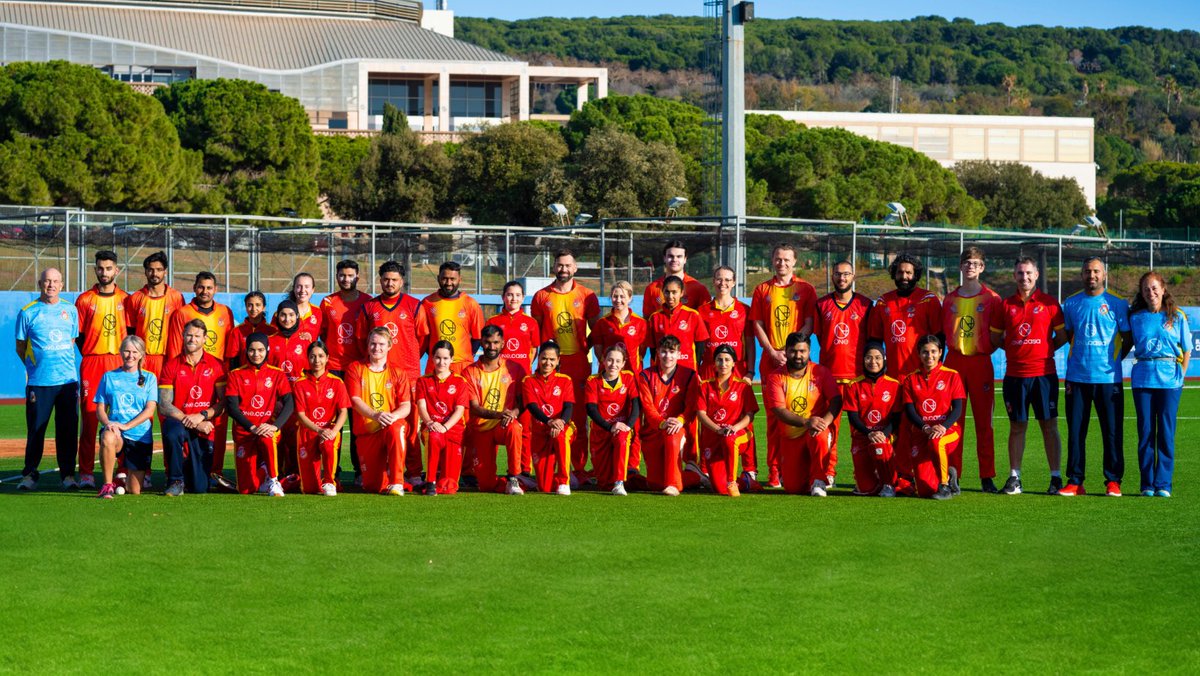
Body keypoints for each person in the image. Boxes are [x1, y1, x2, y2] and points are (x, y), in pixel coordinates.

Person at [990, 257, 1067, 495]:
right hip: (1015, 376)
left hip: (1044, 375)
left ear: (1036, 275)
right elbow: (995, 338)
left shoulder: (1050, 303)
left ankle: (1055, 478)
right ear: (1014, 276)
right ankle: (1015, 478)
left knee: (1049, 426)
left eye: (1028, 273)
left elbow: (1062, 337)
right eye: (1020, 273)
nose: (1024, 277)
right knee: (1017, 427)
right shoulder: (1005, 305)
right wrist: (1016, 350)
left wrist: (1043, 350)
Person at [1060, 257, 1133, 497]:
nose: (1091, 275)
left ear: (1104, 275)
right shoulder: (1071, 303)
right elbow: (1070, 334)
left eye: (1096, 271)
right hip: (1077, 378)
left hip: (1108, 380)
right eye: (1087, 271)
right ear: (1082, 274)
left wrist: (1112, 361)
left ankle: (1113, 481)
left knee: (1112, 432)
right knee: (1076, 432)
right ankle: (1075, 481)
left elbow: (1127, 338)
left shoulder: (1117, 303)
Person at [356, 260, 430, 485]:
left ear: (402, 281)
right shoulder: (370, 307)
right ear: (380, 280)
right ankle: (383, 468)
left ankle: (414, 472)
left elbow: (423, 339)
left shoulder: (414, 305)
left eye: (394, 280)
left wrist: (409, 361)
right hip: (378, 375)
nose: (390, 283)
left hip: (408, 375)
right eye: (386, 279)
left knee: (410, 425)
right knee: (378, 421)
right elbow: (361, 339)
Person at [750, 243, 817, 488]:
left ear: (795, 262)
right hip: (771, 361)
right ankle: (774, 472)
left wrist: (792, 351)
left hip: (797, 362)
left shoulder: (806, 289)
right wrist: (771, 351)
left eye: (787, 259)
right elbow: (757, 324)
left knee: (801, 413)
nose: (782, 263)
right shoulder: (762, 289)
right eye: (778, 259)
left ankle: (806, 469)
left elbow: (809, 323)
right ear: (772, 260)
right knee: (773, 418)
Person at [530, 249, 599, 484]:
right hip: (551, 364)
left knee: (578, 417)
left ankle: (578, 469)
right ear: (554, 267)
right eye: (560, 265)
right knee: (547, 413)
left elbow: (597, 330)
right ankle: (549, 466)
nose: (564, 269)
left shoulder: (587, 295)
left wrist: (585, 347)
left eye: (568, 265)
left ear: (575, 268)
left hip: (578, 362)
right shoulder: (541, 296)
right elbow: (536, 333)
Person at [941, 247, 1004, 493]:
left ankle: (987, 476)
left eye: (976, 263)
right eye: (967, 262)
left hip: (980, 363)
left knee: (984, 422)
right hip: (954, 363)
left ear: (982, 268)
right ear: (960, 266)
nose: (971, 267)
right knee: (953, 422)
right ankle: (952, 473)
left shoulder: (992, 299)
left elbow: (998, 335)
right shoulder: (949, 299)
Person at [165, 272, 237, 485]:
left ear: (215, 289)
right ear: (194, 288)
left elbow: (230, 347)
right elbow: (174, 347)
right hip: (187, 372)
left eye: (209, 287)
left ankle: (215, 471)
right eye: (201, 287)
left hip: (216, 374)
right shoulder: (182, 313)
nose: (205, 291)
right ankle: (175, 473)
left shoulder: (225, 312)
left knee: (218, 427)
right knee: (179, 424)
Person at [16, 268, 80, 491]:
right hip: (39, 382)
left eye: (55, 281)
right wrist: (35, 367)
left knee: (68, 431)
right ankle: (30, 475)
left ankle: (68, 475)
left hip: (67, 382)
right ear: (40, 283)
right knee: (36, 430)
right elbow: (20, 347)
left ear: (62, 285)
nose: (51, 285)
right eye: (47, 281)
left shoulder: (70, 310)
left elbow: (71, 340)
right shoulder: (28, 312)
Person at [1129, 271, 1190, 498]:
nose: (1151, 292)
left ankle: (1163, 484)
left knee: (1166, 433)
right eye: (1146, 289)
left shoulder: (1177, 316)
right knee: (1145, 433)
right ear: (1142, 293)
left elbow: (1187, 349)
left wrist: (1181, 376)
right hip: (1143, 379)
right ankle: (1147, 484)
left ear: (1163, 289)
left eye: (1154, 288)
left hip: (1169, 381)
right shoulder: (1135, 317)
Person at [813, 260, 872, 488]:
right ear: (832, 276)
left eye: (846, 274)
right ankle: (828, 473)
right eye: (838, 274)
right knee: (829, 430)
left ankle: (864, 477)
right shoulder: (821, 305)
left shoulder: (866, 305)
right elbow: (821, 338)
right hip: (831, 379)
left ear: (853, 276)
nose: (842, 278)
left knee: (862, 431)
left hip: (858, 379)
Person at [762, 333, 841, 496]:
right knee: (794, 488)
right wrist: (806, 422)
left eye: (802, 351)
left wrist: (824, 423)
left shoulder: (821, 372)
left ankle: (819, 480)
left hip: (815, 431)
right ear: (786, 351)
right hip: (791, 436)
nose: (798, 355)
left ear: (809, 351)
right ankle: (806, 474)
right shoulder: (775, 377)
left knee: (820, 435)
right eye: (793, 351)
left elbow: (836, 400)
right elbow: (779, 410)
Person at [76, 250, 128, 489]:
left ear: (116, 270)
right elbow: (79, 336)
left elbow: (132, 333)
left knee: (121, 417)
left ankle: (122, 471)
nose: (104, 272)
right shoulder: (85, 299)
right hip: (93, 362)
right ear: (95, 269)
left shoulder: (127, 300)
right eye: (100, 268)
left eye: (108, 268)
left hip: (119, 363)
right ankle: (86, 472)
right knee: (89, 419)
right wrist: (93, 352)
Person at [158, 319, 227, 496]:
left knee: (199, 488)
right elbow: (164, 405)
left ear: (205, 338)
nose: (192, 339)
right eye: (189, 335)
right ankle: (175, 481)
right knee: (172, 431)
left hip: (204, 426)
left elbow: (223, 402)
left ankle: (189, 475)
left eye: (197, 336)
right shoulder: (171, 365)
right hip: (179, 423)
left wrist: (202, 415)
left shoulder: (217, 365)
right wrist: (192, 421)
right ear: (183, 336)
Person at [345, 327, 411, 496]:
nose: (376, 348)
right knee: (373, 486)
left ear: (389, 346)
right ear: (367, 345)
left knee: (397, 427)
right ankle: (385, 473)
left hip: (388, 427)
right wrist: (376, 415)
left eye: (381, 344)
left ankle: (397, 482)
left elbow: (406, 405)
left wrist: (391, 417)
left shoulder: (398, 372)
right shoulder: (355, 368)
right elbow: (355, 400)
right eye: (373, 344)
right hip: (367, 432)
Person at [225, 333, 293, 496]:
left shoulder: (277, 374)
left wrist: (275, 426)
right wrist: (252, 427)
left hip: (267, 430)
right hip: (245, 432)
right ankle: (264, 469)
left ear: (267, 350)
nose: (256, 354)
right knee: (246, 489)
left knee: (267, 437)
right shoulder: (235, 374)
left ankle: (274, 480)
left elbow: (290, 403)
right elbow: (232, 408)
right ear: (246, 351)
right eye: (252, 350)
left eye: (261, 350)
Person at [900, 335, 966, 500]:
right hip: (922, 432)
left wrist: (943, 426)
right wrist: (925, 427)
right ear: (919, 354)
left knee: (937, 441)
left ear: (940, 352)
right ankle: (949, 475)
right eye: (925, 352)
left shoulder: (952, 375)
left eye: (933, 351)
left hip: (948, 431)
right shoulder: (910, 379)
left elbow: (958, 409)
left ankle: (944, 486)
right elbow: (910, 411)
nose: (929, 356)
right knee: (925, 491)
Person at [319, 259, 367, 481]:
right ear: (336, 276)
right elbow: (323, 333)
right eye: (342, 275)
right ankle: (332, 470)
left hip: (357, 370)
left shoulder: (367, 302)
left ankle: (360, 470)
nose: (346, 279)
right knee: (333, 421)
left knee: (358, 422)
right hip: (333, 369)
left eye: (350, 275)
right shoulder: (327, 302)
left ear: (357, 277)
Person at [93, 336, 157, 498]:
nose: (130, 355)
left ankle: (120, 481)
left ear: (141, 354)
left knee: (134, 490)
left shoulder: (150, 378)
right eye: (127, 351)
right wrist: (108, 423)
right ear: (121, 352)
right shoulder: (109, 377)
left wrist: (126, 426)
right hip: (117, 433)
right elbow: (100, 408)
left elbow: (150, 410)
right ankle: (107, 485)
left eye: (135, 352)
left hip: (139, 436)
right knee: (107, 436)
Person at [636, 336, 701, 496]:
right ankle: (695, 477)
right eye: (664, 352)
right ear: (657, 353)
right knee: (655, 484)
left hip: (677, 428)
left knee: (672, 435)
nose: (668, 356)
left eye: (672, 352)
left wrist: (680, 420)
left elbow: (691, 407)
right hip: (653, 431)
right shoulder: (645, 376)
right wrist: (662, 423)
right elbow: (648, 407)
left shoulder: (689, 375)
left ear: (679, 354)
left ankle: (673, 485)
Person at [465, 325, 525, 495]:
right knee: (486, 486)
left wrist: (513, 413)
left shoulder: (514, 368)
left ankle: (513, 477)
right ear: (481, 342)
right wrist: (500, 414)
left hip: (503, 426)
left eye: (496, 342)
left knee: (515, 427)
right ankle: (504, 483)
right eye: (488, 342)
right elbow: (474, 408)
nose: (492, 347)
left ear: (503, 343)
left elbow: (522, 401)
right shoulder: (469, 371)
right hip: (481, 428)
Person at [696, 345, 759, 496]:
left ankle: (732, 482)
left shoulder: (743, 386)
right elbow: (701, 414)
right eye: (719, 360)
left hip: (737, 436)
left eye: (727, 360)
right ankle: (746, 482)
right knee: (719, 487)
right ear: (714, 363)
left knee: (729, 438)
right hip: (713, 439)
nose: (723, 364)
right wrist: (718, 429)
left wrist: (734, 428)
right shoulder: (705, 386)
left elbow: (750, 415)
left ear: (733, 363)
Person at [868, 253, 942, 380]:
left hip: (922, 375)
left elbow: (939, 337)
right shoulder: (883, 302)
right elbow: (875, 340)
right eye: (900, 272)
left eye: (908, 273)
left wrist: (936, 370)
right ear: (894, 274)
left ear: (916, 275)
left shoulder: (928, 299)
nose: (904, 276)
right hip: (892, 376)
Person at [842, 344, 902, 497]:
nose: (873, 362)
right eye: (868, 357)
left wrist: (883, 434)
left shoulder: (894, 385)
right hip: (862, 437)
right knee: (866, 489)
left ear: (884, 359)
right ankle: (869, 479)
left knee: (880, 445)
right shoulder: (853, 385)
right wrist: (869, 433)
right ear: (863, 360)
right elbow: (853, 418)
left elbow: (896, 418)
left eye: (877, 358)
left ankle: (889, 484)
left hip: (885, 437)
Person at [292, 342, 350, 496]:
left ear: (327, 358)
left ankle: (330, 482)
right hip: (307, 432)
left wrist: (334, 431)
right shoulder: (299, 384)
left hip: (329, 430)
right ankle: (304, 480)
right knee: (309, 489)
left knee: (329, 443)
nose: (317, 360)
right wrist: (318, 430)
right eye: (312, 356)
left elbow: (343, 411)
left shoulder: (337, 382)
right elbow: (300, 415)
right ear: (307, 358)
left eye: (320, 356)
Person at [415, 341, 470, 495]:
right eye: (438, 358)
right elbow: (421, 406)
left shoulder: (460, 382)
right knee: (434, 436)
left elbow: (459, 410)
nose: (441, 362)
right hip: (432, 428)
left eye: (445, 358)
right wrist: (430, 423)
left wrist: (445, 427)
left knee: (449, 487)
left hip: (454, 431)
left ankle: (439, 476)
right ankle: (430, 481)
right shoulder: (423, 381)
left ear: (451, 359)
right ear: (432, 358)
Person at [521, 341, 576, 495]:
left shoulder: (565, 380)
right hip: (541, 432)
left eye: (552, 359)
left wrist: (561, 422)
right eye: (544, 358)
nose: (548, 362)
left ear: (558, 360)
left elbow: (569, 407)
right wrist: (549, 422)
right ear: (538, 358)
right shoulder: (528, 380)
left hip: (563, 426)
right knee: (544, 487)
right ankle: (562, 477)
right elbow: (532, 406)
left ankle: (564, 481)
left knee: (560, 436)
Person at [585, 344, 640, 496]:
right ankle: (608, 479)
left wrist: (627, 426)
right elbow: (591, 409)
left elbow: (636, 405)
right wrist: (610, 427)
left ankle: (619, 482)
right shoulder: (593, 381)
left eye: (617, 361)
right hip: (601, 433)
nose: (613, 364)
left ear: (623, 363)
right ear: (603, 360)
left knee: (622, 437)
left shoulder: (628, 377)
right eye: (610, 360)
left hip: (621, 430)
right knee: (604, 484)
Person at [123, 251, 185, 382]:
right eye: (150, 270)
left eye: (159, 270)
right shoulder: (135, 298)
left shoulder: (176, 297)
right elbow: (130, 332)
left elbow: (181, 331)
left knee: (165, 394)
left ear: (165, 272)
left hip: (168, 358)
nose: (154, 273)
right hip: (142, 359)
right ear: (145, 272)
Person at [423, 261, 484, 375]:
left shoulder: (470, 304)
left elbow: (478, 337)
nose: (448, 283)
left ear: (459, 279)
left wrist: (465, 356)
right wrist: (435, 355)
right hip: (436, 364)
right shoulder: (427, 303)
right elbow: (423, 336)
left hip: (462, 366)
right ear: (438, 278)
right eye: (444, 278)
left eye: (452, 279)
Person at [698, 265, 755, 381]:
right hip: (709, 371)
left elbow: (750, 343)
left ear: (733, 282)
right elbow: (697, 346)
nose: (723, 283)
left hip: (737, 370)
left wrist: (750, 372)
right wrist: (696, 371)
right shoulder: (702, 311)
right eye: (719, 279)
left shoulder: (744, 310)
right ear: (713, 281)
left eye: (727, 280)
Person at [647, 275, 709, 373]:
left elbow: (700, 346)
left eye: (674, 292)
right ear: (662, 292)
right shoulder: (655, 317)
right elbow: (653, 348)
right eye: (667, 292)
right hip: (663, 371)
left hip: (687, 370)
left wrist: (695, 366)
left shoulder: (693, 315)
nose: (670, 296)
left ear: (681, 293)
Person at [591, 280, 649, 374]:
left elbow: (642, 352)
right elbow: (599, 353)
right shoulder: (602, 323)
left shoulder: (641, 323)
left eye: (622, 297)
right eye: (615, 296)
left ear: (630, 298)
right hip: (609, 375)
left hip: (632, 374)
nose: (618, 300)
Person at [641, 240, 712, 316]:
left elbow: (706, 318)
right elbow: (647, 319)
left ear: (685, 259)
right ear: (664, 258)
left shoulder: (699, 289)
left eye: (679, 256)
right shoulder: (652, 288)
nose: (674, 259)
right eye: (670, 256)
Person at [486, 281, 540, 379]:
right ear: (503, 297)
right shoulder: (492, 321)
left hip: (523, 372)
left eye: (518, 295)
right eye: (510, 295)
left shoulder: (531, 322)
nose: (514, 299)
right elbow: (488, 347)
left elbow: (534, 350)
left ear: (523, 298)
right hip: (499, 373)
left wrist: (525, 364)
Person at [229, 291, 277, 360]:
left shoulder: (272, 331)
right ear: (246, 307)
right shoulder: (237, 331)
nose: (254, 309)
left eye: (258, 305)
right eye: (250, 305)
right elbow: (232, 358)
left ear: (264, 307)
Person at [284, 272, 322, 340]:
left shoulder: (318, 312)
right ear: (294, 288)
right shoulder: (283, 312)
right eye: (299, 286)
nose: (302, 290)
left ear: (313, 290)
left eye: (307, 287)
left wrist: (310, 340)